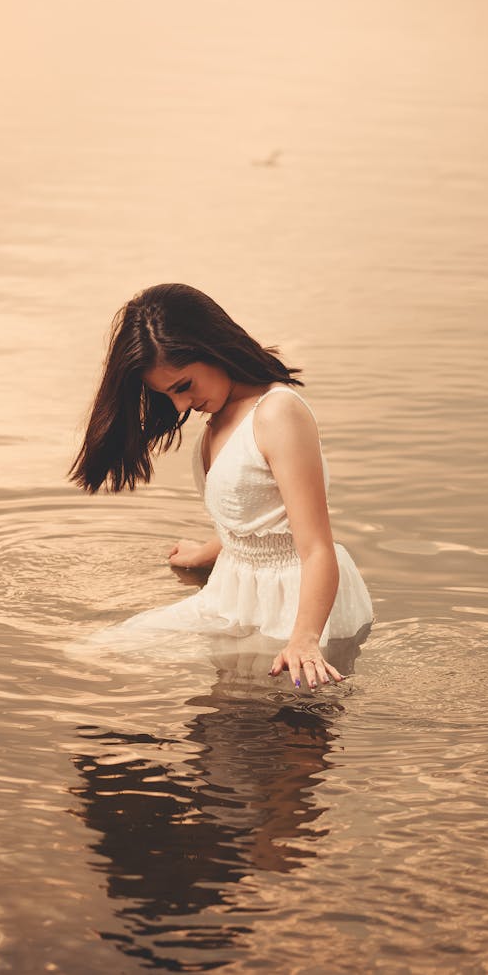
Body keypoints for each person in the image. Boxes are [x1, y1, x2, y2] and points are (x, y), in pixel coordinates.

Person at [69, 283, 372, 691]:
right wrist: (204, 552)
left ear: (211, 348)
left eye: (183, 386)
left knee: (267, 726)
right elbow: (256, 517)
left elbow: (316, 546)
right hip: (233, 595)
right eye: (166, 394)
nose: (179, 405)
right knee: (97, 651)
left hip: (294, 605)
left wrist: (304, 639)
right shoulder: (222, 414)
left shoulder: (278, 414)